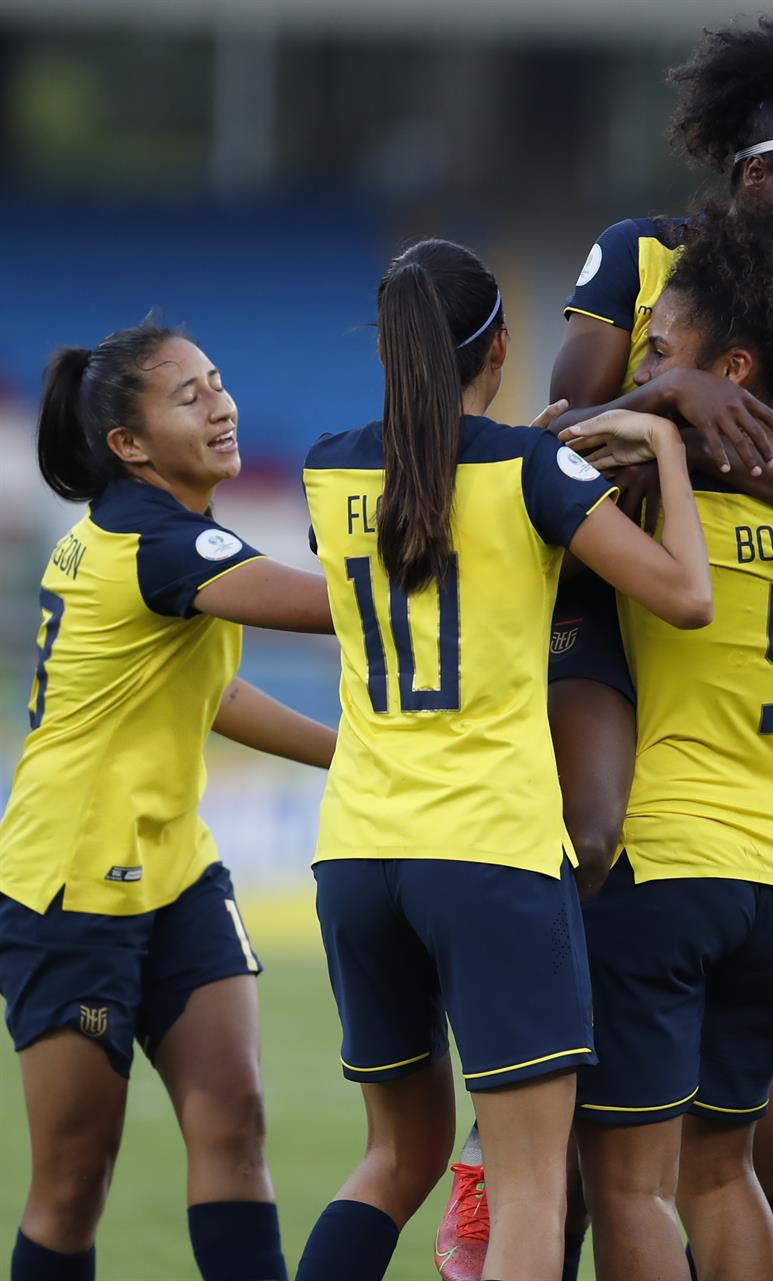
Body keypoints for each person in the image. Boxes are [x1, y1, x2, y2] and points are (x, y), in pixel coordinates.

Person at [437, 17, 773, 1280]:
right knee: (596, 836)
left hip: (754, 648)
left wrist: (709, 432)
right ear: (753, 178)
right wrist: (668, 396)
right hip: (618, 619)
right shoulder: (638, 255)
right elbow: (561, 424)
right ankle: (485, 1144)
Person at [294, 238, 711, 1281]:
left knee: (394, 1156)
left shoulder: (325, 467)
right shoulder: (531, 470)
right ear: (504, 346)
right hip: (489, 852)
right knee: (528, 1186)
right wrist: (659, 450)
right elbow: (684, 595)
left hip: (356, 854)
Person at [531, 199, 773, 1281]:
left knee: (630, 1185)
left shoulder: (662, 505)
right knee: (723, 1174)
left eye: (664, 349)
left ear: (735, 367)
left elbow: (531, 458)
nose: (647, 363)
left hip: (670, 864)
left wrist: (655, 418)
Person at [0, 321, 337, 1281]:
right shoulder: (157, 540)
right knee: (73, 1186)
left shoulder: (169, 537)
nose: (222, 405)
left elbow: (215, 695)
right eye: (188, 396)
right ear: (129, 445)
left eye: (219, 383)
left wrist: (351, 756)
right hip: (69, 890)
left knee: (234, 1126)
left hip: (177, 870)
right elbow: (332, 607)